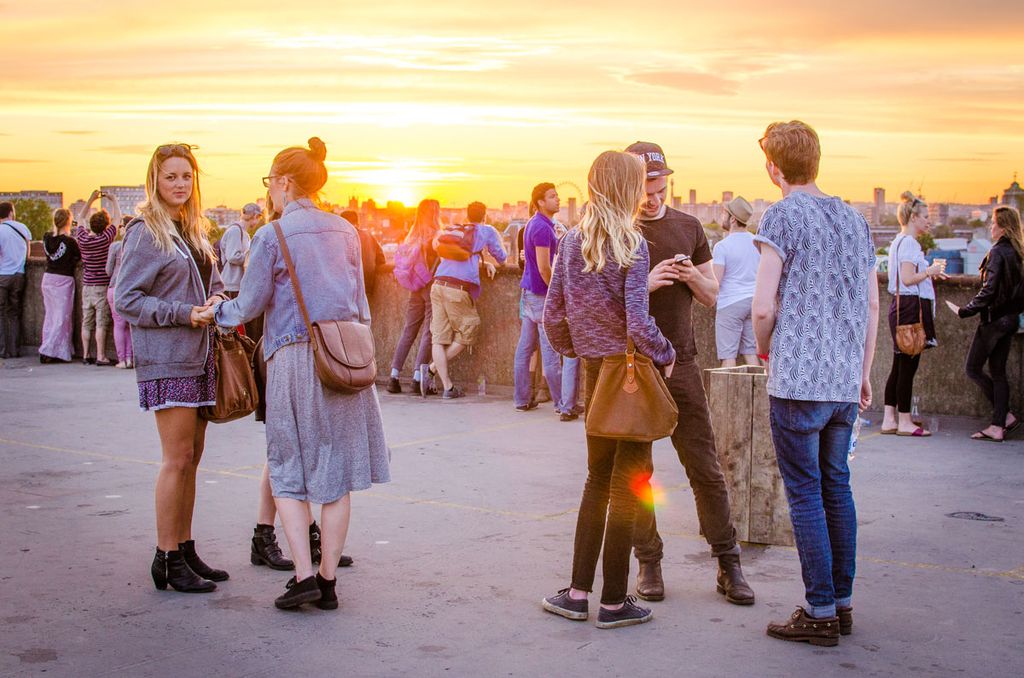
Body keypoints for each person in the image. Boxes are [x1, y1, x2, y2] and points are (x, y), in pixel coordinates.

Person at [205, 138, 390, 610]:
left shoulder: (272, 235)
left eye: (270, 182)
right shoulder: (346, 231)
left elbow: (248, 304)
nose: (269, 192)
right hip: (343, 356)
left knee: (288, 469)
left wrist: (216, 313)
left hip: (292, 359)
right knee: (337, 473)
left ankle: (304, 576)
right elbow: (360, 305)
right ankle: (328, 580)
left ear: (285, 182)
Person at [751, 120, 879, 646]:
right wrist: (864, 372)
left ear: (773, 167)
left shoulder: (780, 215)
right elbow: (873, 305)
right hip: (844, 381)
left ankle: (819, 609)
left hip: (799, 380)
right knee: (837, 489)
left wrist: (764, 349)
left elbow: (762, 306)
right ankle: (842, 604)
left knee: (804, 494)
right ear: (818, 161)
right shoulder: (855, 219)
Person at [541, 150, 676, 629]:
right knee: (628, 488)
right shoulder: (633, 244)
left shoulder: (572, 241)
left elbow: (551, 316)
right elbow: (639, 323)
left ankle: (577, 593)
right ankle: (616, 601)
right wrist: (665, 353)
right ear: (628, 189)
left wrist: (578, 349)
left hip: (598, 375)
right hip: (631, 376)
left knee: (596, 480)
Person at [622, 141, 754, 606]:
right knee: (639, 472)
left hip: (683, 361)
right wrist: (645, 281)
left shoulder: (688, 226)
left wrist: (689, 276)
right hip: (632, 367)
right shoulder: (616, 231)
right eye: (644, 188)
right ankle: (649, 561)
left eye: (659, 187)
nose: (653, 197)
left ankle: (727, 562)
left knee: (704, 466)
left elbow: (712, 295)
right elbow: (596, 306)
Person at [115, 143, 228, 594]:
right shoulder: (147, 231)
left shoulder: (194, 229)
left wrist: (217, 300)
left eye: (186, 177)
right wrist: (184, 313)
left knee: (192, 460)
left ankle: (183, 546)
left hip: (199, 356)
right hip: (168, 357)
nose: (180, 184)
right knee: (176, 459)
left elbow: (214, 284)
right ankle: (165, 556)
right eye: (171, 177)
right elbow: (126, 299)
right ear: (155, 181)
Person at [946, 205, 1024, 442]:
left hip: (993, 321)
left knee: (973, 368)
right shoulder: (1019, 252)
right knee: (998, 372)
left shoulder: (998, 252)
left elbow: (989, 290)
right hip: (1010, 321)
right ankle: (1001, 422)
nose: (990, 227)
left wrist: (965, 311)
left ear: (1002, 227)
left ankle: (1002, 419)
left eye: (993, 223)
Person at [425, 201, 507, 399]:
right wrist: (490, 261)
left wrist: (482, 260)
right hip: (457, 287)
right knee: (469, 331)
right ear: (484, 215)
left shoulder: (456, 230)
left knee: (439, 337)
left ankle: (446, 386)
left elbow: (447, 251)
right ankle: (433, 368)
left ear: (468, 215)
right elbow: (502, 257)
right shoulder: (486, 230)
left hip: (437, 284)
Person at [881, 191, 946, 436]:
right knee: (908, 365)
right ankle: (905, 421)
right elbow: (908, 279)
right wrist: (929, 271)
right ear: (913, 217)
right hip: (910, 308)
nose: (928, 221)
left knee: (899, 364)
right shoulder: (909, 243)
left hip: (900, 306)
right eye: (926, 216)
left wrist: (928, 272)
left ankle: (890, 419)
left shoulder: (898, 241)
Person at [513, 182, 575, 418]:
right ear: (540, 202)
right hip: (540, 294)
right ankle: (561, 403)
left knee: (525, 348)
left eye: (557, 195)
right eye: (552, 196)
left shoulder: (534, 224)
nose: (558, 199)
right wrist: (556, 292)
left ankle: (521, 398)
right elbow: (544, 267)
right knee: (550, 351)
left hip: (529, 293)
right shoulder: (542, 228)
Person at [387, 199, 440, 395]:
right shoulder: (435, 236)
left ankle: (394, 376)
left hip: (414, 287)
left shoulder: (411, 236)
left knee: (408, 331)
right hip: (430, 286)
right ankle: (418, 378)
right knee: (428, 331)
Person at [712, 196, 761, 367]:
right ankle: (758, 393)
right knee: (751, 352)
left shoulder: (722, 246)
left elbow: (715, 282)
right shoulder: (757, 242)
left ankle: (726, 394)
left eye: (724, 214)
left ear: (732, 219)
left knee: (728, 355)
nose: (722, 217)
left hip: (730, 303)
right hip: (753, 302)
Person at [75, 191, 121, 365]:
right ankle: (101, 355)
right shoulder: (105, 240)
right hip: (102, 285)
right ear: (105, 226)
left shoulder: (83, 239)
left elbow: (80, 219)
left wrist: (91, 199)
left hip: (87, 286)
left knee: (86, 322)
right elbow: (117, 221)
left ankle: (86, 354)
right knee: (101, 322)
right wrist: (114, 200)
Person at [39, 208, 81, 363]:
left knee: (50, 317)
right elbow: (78, 256)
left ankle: (51, 347)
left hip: (48, 278)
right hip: (63, 280)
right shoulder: (69, 242)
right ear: (69, 221)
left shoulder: (46, 238)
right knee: (62, 318)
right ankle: (50, 350)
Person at [0, 201, 32, 359]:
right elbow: (28, 252)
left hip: (2, 276)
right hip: (19, 275)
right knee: (13, 314)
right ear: (11, 213)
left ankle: (2, 349)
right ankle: (14, 350)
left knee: (0, 314)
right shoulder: (23, 228)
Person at [105, 220, 134, 368]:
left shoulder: (116, 246)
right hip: (132, 289)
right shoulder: (136, 246)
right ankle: (130, 359)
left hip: (115, 287)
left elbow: (108, 271)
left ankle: (121, 359)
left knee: (119, 325)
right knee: (130, 326)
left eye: (121, 226)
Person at [219, 202, 261, 298]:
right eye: (259, 218)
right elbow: (233, 256)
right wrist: (252, 257)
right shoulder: (235, 231)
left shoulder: (243, 232)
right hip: (231, 285)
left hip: (237, 284)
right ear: (255, 216)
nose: (258, 222)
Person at [341, 210, 385, 298]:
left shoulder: (341, 237)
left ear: (342, 223)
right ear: (357, 222)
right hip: (367, 288)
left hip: (348, 291)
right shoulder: (369, 236)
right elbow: (381, 260)